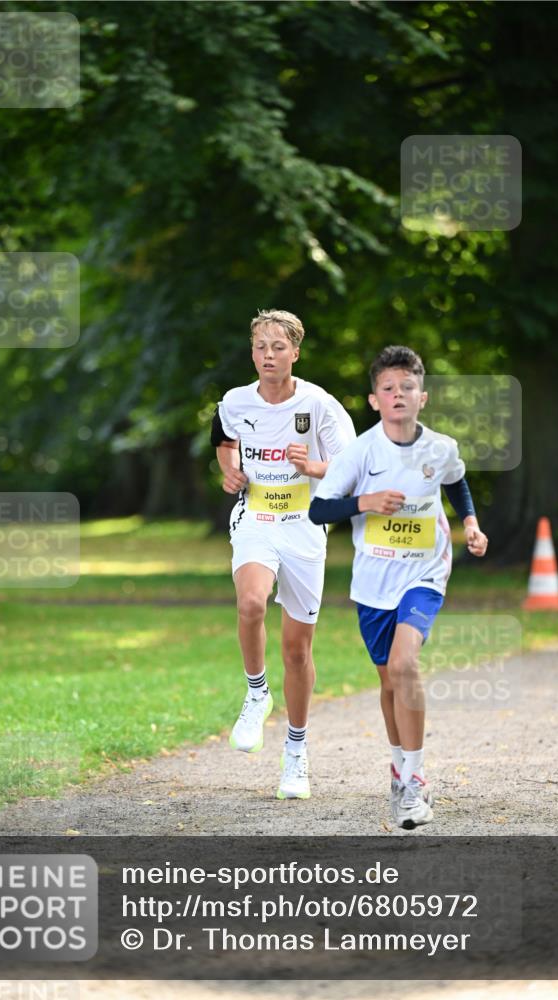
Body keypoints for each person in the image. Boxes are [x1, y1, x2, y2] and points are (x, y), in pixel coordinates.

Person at [309, 345, 488, 828]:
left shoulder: (442, 448)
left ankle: (415, 780)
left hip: (424, 574)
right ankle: (398, 764)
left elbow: (456, 482)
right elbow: (319, 509)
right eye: (388, 389)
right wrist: (365, 500)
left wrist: (469, 523)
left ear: (422, 396)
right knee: (389, 679)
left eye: (407, 387)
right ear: (374, 400)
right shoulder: (360, 452)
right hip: (373, 583)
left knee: (406, 664)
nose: (398, 395)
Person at [211, 309, 355, 800]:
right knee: (250, 603)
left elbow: (353, 466)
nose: (267, 356)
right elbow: (224, 440)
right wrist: (230, 470)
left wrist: (311, 464)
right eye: (259, 347)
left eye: (277, 347)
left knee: (298, 650)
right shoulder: (235, 401)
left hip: (304, 528)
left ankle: (296, 752)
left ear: (296, 351)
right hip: (255, 519)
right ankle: (256, 692)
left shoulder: (319, 405)